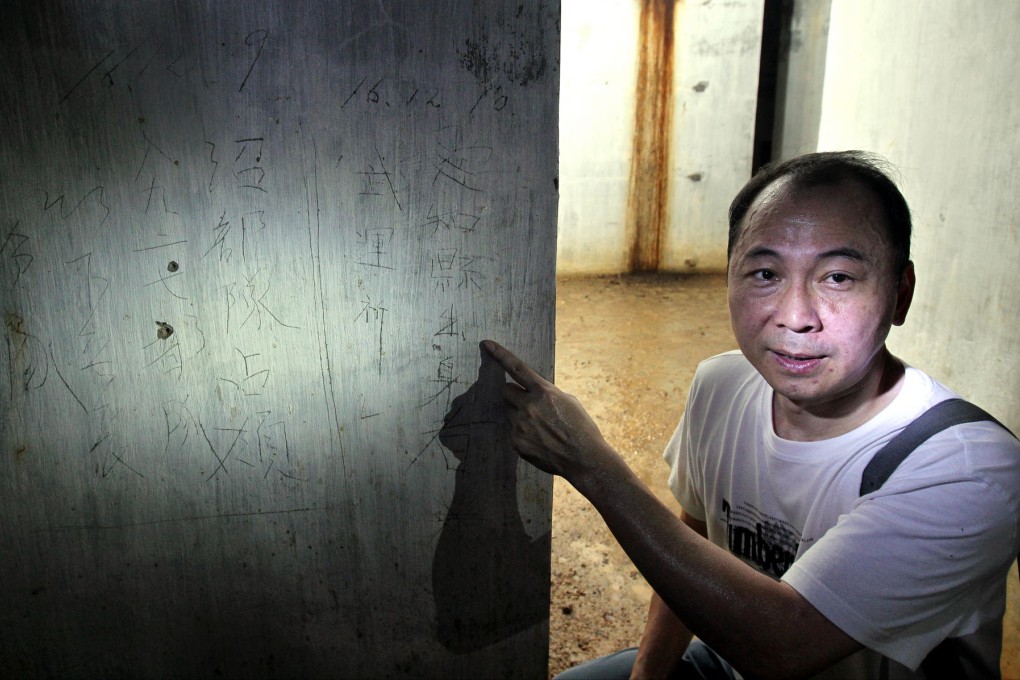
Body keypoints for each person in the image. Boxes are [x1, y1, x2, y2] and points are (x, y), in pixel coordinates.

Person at [481, 151, 1020, 679]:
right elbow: (691, 545)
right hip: (725, 658)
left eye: (838, 277)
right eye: (764, 273)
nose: (794, 317)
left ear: (899, 295)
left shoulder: (970, 468)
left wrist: (593, 467)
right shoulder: (723, 383)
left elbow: (783, 646)